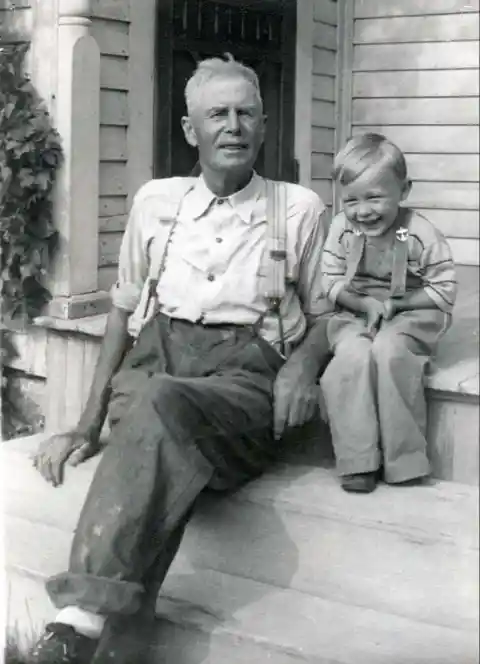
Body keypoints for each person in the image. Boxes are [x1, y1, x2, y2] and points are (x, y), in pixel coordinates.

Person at [29, 55, 332, 663]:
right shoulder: (156, 203)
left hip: (242, 388)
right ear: (191, 131)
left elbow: (329, 314)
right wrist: (86, 424)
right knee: (157, 413)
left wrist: (302, 365)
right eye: (217, 114)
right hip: (157, 363)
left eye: (247, 113)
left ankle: (77, 618)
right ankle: (113, 644)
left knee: (158, 408)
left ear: (265, 126)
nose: (234, 126)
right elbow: (121, 311)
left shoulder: (298, 209)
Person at [320, 132, 457, 494]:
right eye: (351, 201)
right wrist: (361, 304)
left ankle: (405, 460)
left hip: (411, 311)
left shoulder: (419, 234)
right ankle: (357, 460)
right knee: (352, 356)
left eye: (375, 197)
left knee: (390, 351)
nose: (363, 211)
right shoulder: (341, 229)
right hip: (357, 310)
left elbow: (443, 290)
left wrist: (399, 306)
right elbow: (330, 281)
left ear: (404, 190)